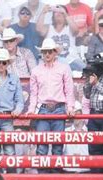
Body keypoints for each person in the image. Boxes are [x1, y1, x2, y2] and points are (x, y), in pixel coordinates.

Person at [28, 38, 75, 169]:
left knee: (57, 146)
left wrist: (70, 107)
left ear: (55, 53)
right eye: (45, 52)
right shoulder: (36, 71)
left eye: (49, 52)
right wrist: (32, 109)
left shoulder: (64, 68)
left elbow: (69, 90)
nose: (47, 54)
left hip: (59, 109)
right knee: (42, 146)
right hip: (43, 109)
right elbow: (34, 94)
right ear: (42, 54)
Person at [83, 50, 103, 180]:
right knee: (94, 149)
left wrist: (96, 84)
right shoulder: (93, 76)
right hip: (94, 115)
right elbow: (87, 94)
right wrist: (88, 81)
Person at [36, 5, 85, 71]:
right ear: (53, 16)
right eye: (56, 12)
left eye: (61, 12)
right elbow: (39, 30)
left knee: (86, 69)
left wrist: (65, 13)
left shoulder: (70, 27)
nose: (58, 13)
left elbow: (76, 31)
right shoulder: (48, 28)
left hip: (71, 60)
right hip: (52, 61)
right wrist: (43, 12)